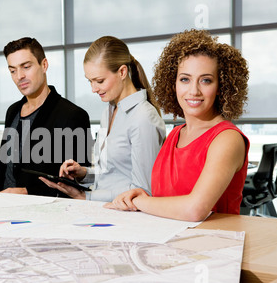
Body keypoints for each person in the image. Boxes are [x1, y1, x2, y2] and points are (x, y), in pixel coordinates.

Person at [106, 29, 250, 221]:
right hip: (168, 242)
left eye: (206, 80)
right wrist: (139, 195)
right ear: (173, 84)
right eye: (185, 79)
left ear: (221, 87)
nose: (194, 90)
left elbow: (195, 210)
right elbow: (165, 199)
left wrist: (140, 202)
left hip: (213, 244)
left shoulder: (227, 139)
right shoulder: (175, 134)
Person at [40, 36, 166, 202]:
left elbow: (143, 190)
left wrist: (87, 196)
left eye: (99, 81)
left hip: (129, 218)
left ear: (122, 72)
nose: (93, 88)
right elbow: (112, 173)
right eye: (90, 81)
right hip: (104, 212)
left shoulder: (143, 117)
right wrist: (83, 173)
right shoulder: (109, 112)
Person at [0, 37, 92, 197]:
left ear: (44, 65)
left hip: (46, 215)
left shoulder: (73, 115)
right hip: (3, 209)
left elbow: (76, 184)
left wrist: (27, 192)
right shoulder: (12, 111)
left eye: (26, 67)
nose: (19, 76)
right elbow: (5, 169)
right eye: (13, 70)